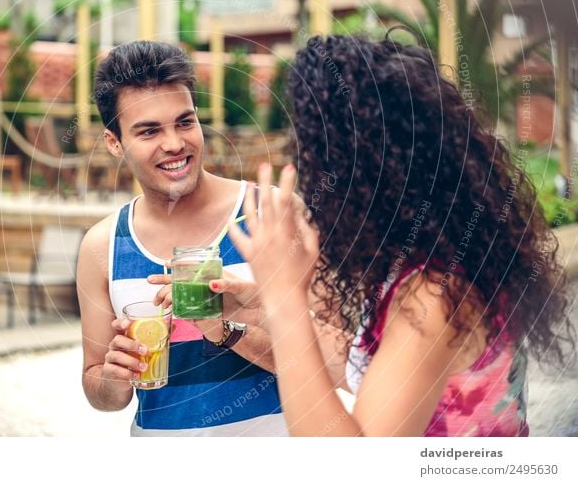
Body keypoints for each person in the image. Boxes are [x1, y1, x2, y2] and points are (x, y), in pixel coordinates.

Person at [229, 35, 575, 436]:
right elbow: (377, 373)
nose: (306, 167)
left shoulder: (434, 295)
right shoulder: (434, 265)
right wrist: (251, 308)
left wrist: (284, 299)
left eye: (316, 154)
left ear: (362, 172)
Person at [77, 41, 287, 436]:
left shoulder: (269, 213)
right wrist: (113, 378)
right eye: (149, 131)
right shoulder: (101, 246)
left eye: (185, 122)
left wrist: (226, 324)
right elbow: (98, 388)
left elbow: (329, 360)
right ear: (114, 143)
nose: (174, 143)